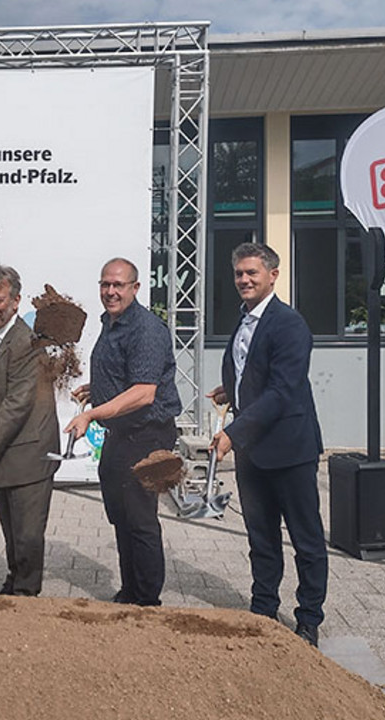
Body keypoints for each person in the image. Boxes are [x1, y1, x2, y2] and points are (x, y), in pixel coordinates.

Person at [206, 241, 327, 647]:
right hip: (253, 451)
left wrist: (232, 433)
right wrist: (234, 390)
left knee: (306, 540)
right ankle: (263, 608)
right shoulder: (244, 320)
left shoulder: (289, 324)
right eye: (239, 273)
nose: (243, 280)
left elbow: (283, 391)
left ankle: (308, 619)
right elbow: (256, 371)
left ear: (273, 276)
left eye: (252, 273)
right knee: (261, 537)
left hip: (290, 449)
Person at [67, 258, 181, 607]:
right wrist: (97, 389)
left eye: (118, 285)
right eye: (105, 285)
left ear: (135, 288)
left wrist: (92, 414)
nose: (111, 291)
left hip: (147, 437)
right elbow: (126, 376)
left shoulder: (146, 329)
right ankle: (129, 592)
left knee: (141, 520)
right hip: (121, 437)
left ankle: (147, 601)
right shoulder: (111, 321)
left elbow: (144, 392)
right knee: (121, 516)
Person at [0, 265, 60, 597]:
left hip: (29, 452)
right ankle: (14, 583)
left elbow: (18, 403)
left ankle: (25, 595)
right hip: (6, 450)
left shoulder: (24, 340)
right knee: (12, 529)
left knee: (27, 534)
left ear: (16, 300)